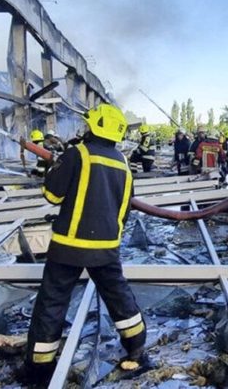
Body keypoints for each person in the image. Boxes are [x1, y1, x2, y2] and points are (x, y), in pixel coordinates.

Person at [23, 104, 146, 386]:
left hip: (68, 247)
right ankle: (137, 349)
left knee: (52, 303)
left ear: (94, 127)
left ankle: (39, 369)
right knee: (120, 297)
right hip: (107, 247)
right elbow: (125, 210)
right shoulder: (124, 164)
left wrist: (50, 167)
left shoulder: (77, 154)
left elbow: (52, 196)